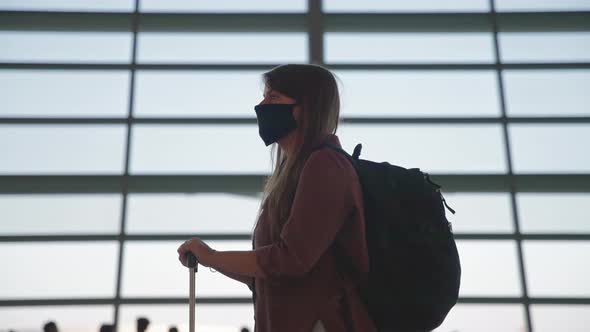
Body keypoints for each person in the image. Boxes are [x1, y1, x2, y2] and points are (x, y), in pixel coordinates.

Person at [177, 64, 376, 332]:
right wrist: (209, 258)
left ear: (307, 107)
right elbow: (268, 275)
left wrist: (212, 256)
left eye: (273, 98)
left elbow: (289, 260)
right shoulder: (294, 172)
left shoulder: (325, 166)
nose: (261, 106)